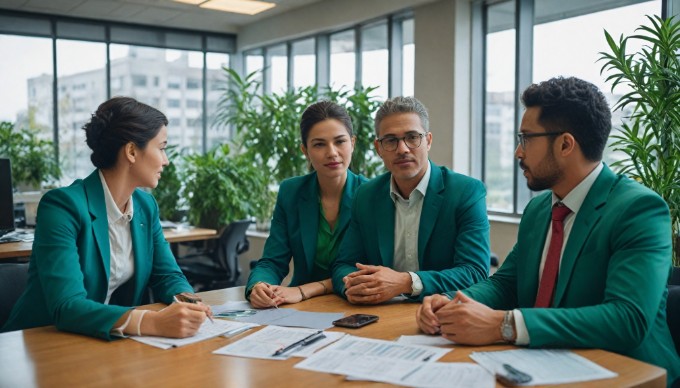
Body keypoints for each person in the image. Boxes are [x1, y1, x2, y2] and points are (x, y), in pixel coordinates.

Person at [416, 77, 680, 385]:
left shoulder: (639, 210)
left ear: (566, 144)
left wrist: (506, 325)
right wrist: (453, 301)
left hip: (625, 373)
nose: (518, 152)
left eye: (526, 138)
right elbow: (507, 284)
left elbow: (627, 319)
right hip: (542, 364)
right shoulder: (540, 209)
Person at [2, 97, 211, 340]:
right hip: (41, 342)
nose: (166, 160)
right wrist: (151, 322)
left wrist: (188, 303)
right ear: (132, 151)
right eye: (162, 148)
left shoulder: (145, 206)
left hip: (102, 342)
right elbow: (67, 306)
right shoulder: (62, 206)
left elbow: (167, 275)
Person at [331, 96, 490, 304]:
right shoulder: (366, 196)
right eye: (390, 141)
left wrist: (406, 282)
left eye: (412, 137)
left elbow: (475, 271)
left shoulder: (465, 192)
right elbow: (343, 264)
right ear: (379, 148)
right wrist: (355, 288)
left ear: (428, 141)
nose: (403, 149)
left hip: (441, 311)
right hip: (379, 312)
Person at [246, 101, 366, 308]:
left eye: (340, 142)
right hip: (299, 306)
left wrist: (306, 290)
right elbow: (273, 260)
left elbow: (368, 270)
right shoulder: (291, 192)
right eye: (319, 144)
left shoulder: (370, 195)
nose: (332, 152)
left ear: (353, 143)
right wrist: (259, 285)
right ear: (305, 150)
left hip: (354, 303)